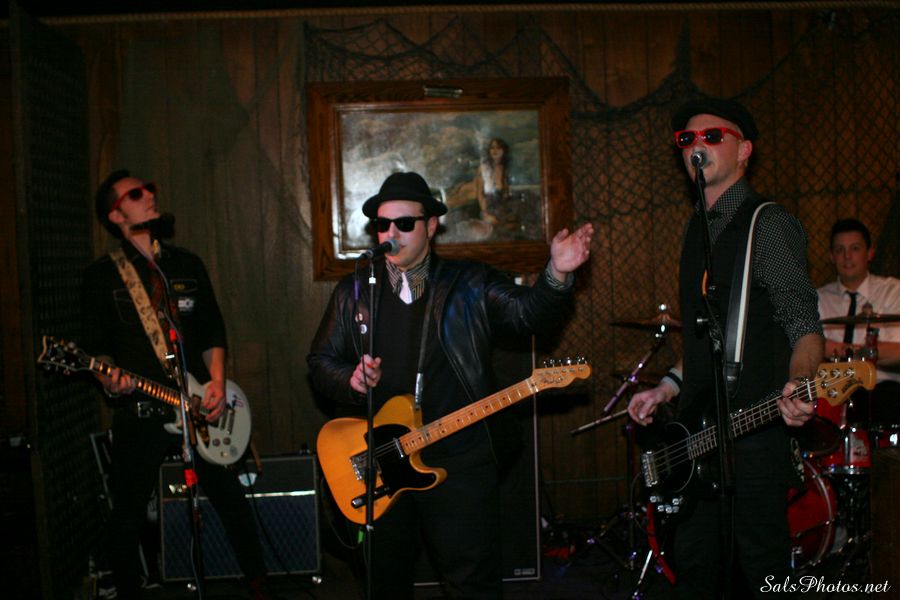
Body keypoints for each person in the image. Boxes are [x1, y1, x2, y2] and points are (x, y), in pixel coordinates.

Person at [307, 171, 593, 599]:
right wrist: (351, 381)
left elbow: (527, 315)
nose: (391, 234)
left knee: (471, 583)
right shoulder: (355, 291)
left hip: (460, 459)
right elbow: (319, 362)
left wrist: (556, 274)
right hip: (382, 460)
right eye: (383, 224)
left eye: (405, 223)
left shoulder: (470, 283)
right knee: (383, 582)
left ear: (431, 226)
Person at [626, 98, 824, 598]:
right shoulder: (698, 228)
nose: (697, 145)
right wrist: (668, 387)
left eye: (713, 136)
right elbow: (708, 340)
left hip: (754, 435)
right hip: (701, 436)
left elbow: (804, 325)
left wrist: (801, 382)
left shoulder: (767, 225)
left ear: (744, 150)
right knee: (696, 570)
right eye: (687, 139)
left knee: (761, 571)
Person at [81, 170, 270, 600]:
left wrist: (217, 382)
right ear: (116, 215)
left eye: (148, 188)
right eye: (135, 194)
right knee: (126, 515)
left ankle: (259, 585)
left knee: (232, 500)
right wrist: (109, 379)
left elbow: (211, 331)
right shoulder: (101, 277)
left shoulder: (186, 264)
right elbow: (97, 348)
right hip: (142, 409)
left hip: (199, 405)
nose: (149, 195)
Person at [817, 218, 900, 380]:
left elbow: (897, 352)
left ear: (870, 253)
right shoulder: (817, 299)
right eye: (839, 250)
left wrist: (846, 351)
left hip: (882, 388)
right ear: (831, 256)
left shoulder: (893, 291)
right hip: (833, 390)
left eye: (855, 248)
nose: (847, 256)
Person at [475, 137, 510, 225]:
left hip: (502, 210)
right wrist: (485, 213)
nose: (495, 151)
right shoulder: (483, 168)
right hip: (486, 210)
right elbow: (480, 194)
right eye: (492, 148)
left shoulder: (504, 169)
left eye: (498, 148)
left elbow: (505, 194)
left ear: (503, 150)